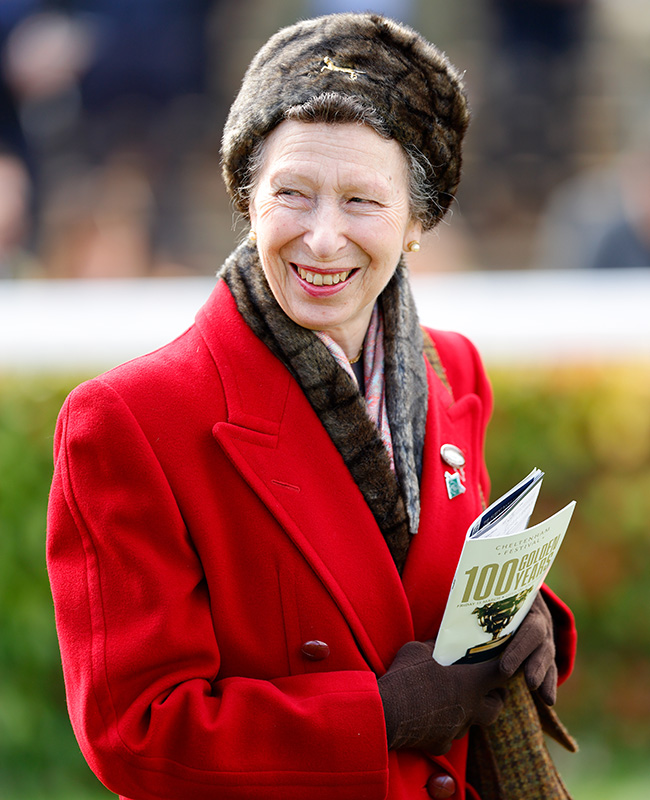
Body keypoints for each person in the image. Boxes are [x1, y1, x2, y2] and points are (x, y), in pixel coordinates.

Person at [47, 13, 577, 800]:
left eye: (363, 201)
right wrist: (380, 716)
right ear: (247, 199)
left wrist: (520, 619)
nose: (323, 239)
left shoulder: (451, 369)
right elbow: (137, 733)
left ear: (417, 221)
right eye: (291, 193)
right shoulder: (128, 420)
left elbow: (427, 588)